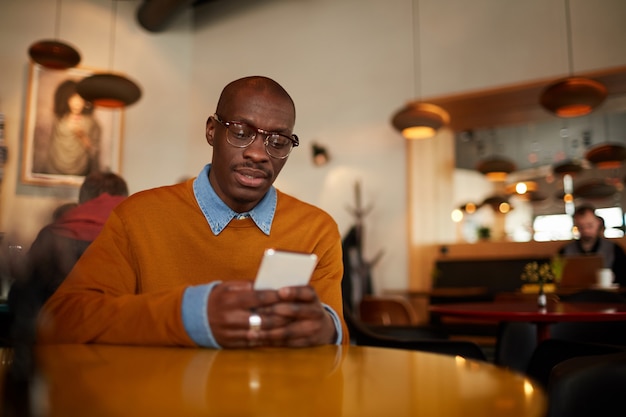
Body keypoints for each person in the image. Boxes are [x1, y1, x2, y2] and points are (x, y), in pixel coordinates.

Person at [37, 76, 347, 349]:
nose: (257, 153)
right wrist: (189, 316)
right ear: (212, 131)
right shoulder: (138, 217)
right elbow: (61, 321)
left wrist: (325, 329)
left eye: (277, 141)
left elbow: (340, 341)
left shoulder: (316, 230)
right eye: (240, 132)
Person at [8, 171, 129, 345]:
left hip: (54, 342)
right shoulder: (131, 233)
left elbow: (20, 298)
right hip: (117, 343)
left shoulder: (53, 233)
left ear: (82, 201)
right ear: (124, 199)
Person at [559, 204, 626, 286]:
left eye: (590, 225)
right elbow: (558, 279)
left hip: (607, 296)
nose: (586, 230)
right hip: (575, 295)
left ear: (598, 223)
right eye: (581, 227)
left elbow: (623, 279)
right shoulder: (564, 251)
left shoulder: (614, 249)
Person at [46, 79, 101, 176]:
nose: (77, 103)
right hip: (56, 167)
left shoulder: (91, 123)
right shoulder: (59, 121)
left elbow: (94, 150)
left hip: (81, 168)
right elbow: (52, 146)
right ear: (66, 99)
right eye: (73, 98)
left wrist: (82, 136)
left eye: (80, 99)